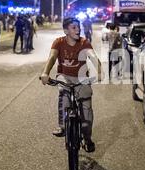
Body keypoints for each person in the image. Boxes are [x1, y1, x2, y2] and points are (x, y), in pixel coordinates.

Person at [40, 18, 103, 153]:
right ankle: (62, 126)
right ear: (65, 30)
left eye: (78, 27)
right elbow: (52, 57)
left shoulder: (84, 42)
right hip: (65, 77)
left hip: (81, 79)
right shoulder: (59, 42)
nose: (78, 30)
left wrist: (99, 71)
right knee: (64, 94)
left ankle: (87, 138)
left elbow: (93, 57)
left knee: (86, 112)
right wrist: (45, 73)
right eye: (73, 27)